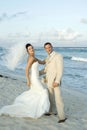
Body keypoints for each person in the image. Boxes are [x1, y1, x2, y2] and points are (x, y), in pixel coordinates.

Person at [0, 43, 50, 118]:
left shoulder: (34, 58)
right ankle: (41, 109)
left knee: (36, 93)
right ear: (27, 51)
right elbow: (26, 69)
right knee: (43, 91)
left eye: (32, 48)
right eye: (29, 49)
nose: (31, 49)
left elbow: (42, 62)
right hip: (34, 79)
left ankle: (40, 108)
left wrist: (49, 58)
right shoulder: (31, 58)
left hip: (36, 78)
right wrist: (28, 80)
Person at [40, 42, 67, 123]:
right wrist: (36, 73)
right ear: (45, 49)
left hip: (55, 81)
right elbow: (45, 69)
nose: (48, 49)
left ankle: (62, 117)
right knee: (51, 98)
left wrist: (57, 81)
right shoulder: (47, 58)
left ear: (52, 47)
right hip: (49, 81)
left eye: (49, 47)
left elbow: (60, 70)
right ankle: (52, 111)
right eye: (46, 48)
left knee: (58, 99)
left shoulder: (58, 56)